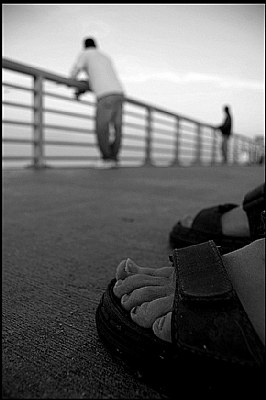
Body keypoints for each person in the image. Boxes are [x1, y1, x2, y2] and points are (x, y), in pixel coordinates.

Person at [70, 37, 125, 168]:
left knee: (102, 128)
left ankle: (107, 159)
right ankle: (114, 158)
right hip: (119, 93)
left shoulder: (86, 54)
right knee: (117, 128)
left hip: (105, 95)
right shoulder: (105, 57)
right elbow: (101, 77)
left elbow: (75, 72)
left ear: (85, 46)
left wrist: (72, 82)